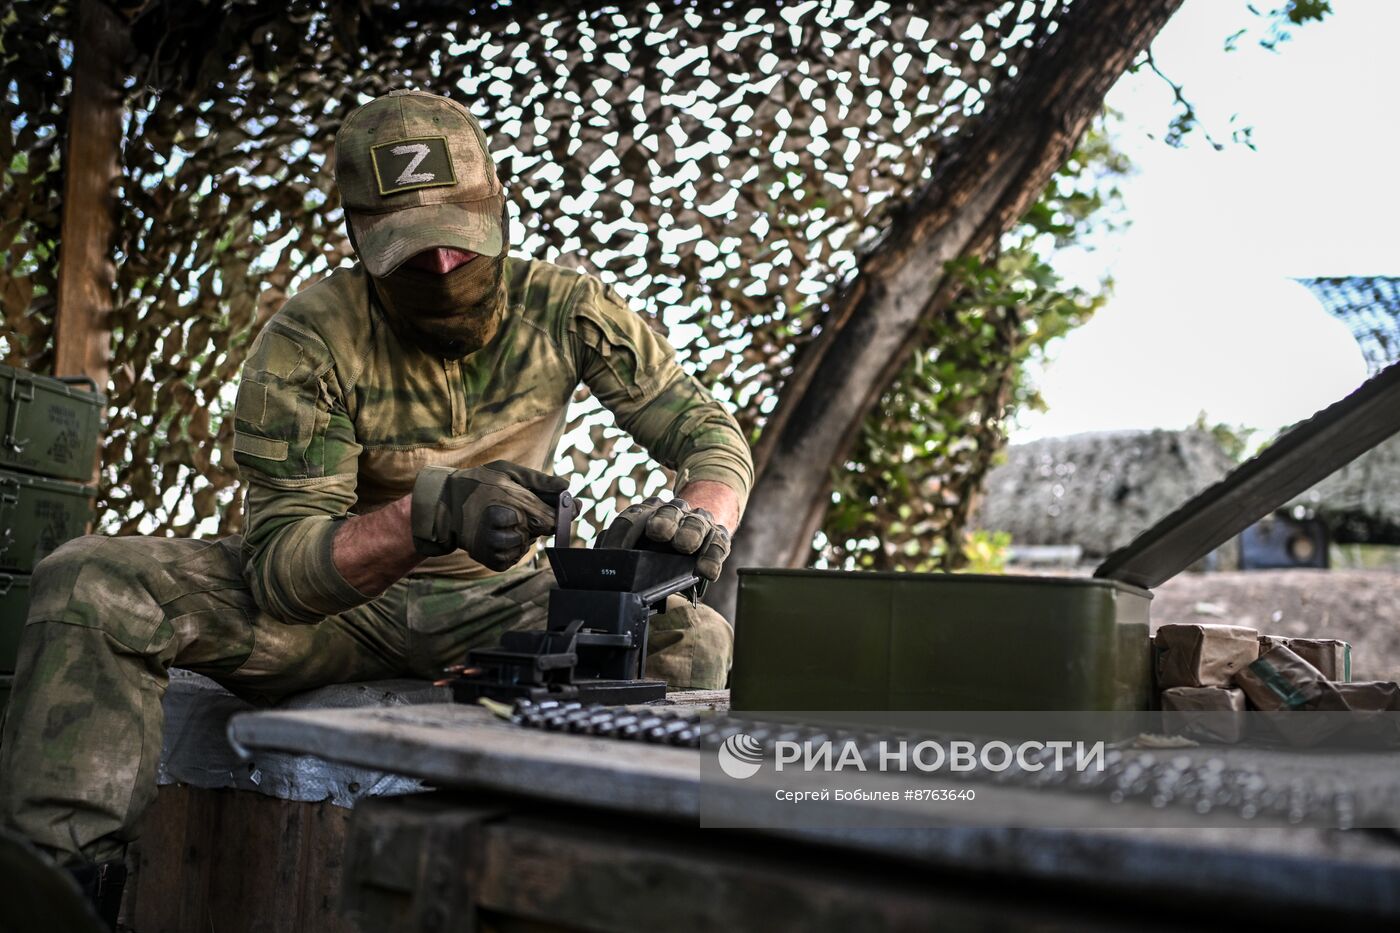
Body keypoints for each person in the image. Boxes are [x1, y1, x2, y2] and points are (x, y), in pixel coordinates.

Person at [0, 89, 752, 919]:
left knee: (690, 639)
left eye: (458, 241)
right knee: (90, 581)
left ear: (498, 207)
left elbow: (706, 431)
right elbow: (284, 572)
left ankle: (591, 897)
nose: (437, 267)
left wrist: (698, 516)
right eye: (407, 248)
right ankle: (57, 897)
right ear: (358, 237)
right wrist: (430, 513)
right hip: (335, 615)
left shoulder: (567, 310)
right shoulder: (309, 338)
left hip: (502, 613)